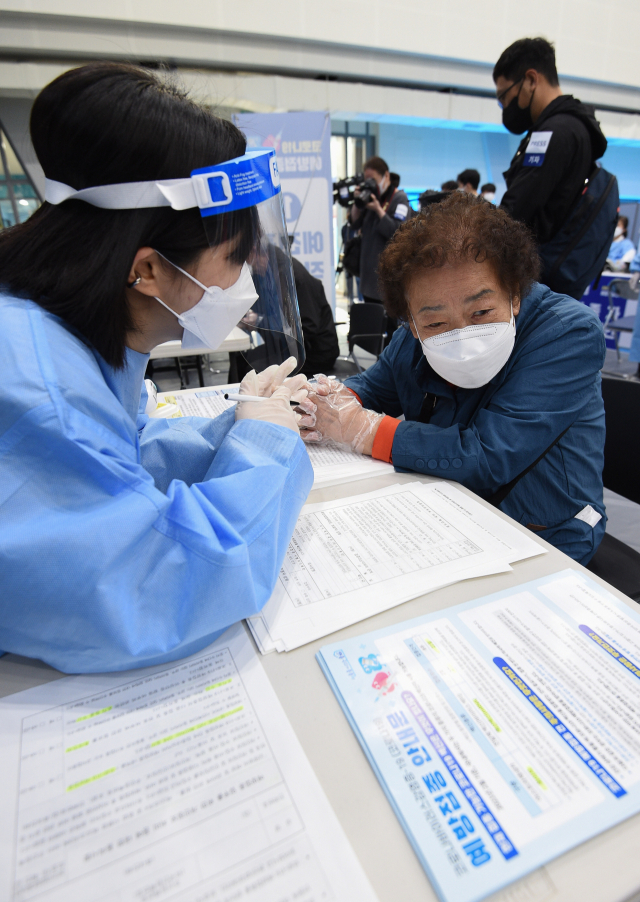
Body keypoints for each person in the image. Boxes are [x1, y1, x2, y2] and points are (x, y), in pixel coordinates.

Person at [0, 62, 316, 673]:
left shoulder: (58, 332)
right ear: (145, 270)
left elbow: (110, 453)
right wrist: (266, 448)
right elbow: (159, 590)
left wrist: (240, 425)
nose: (245, 277)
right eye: (231, 258)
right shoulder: (37, 387)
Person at [301, 193, 606, 565]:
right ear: (411, 323)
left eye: (480, 311)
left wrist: (360, 429)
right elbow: (372, 388)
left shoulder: (566, 334)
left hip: (544, 531)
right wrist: (318, 400)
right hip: (444, 511)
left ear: (513, 293)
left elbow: (489, 456)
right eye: (435, 323)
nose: (461, 336)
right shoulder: (410, 339)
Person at [494, 38, 608, 281]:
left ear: (531, 80)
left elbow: (517, 208)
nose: (504, 107)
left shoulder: (553, 133)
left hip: (539, 278)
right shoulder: (576, 127)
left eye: (504, 96)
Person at [349, 156, 410, 305]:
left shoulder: (399, 198)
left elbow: (398, 232)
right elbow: (354, 224)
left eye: (373, 179)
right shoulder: (369, 197)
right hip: (368, 280)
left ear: (386, 176)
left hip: (388, 283)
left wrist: (378, 209)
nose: (370, 184)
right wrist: (357, 202)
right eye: (367, 180)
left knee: (390, 325)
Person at [292, 257, 339, 376]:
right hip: (310, 349)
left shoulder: (298, 280)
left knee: (261, 365)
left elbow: (309, 327)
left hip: (318, 354)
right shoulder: (292, 271)